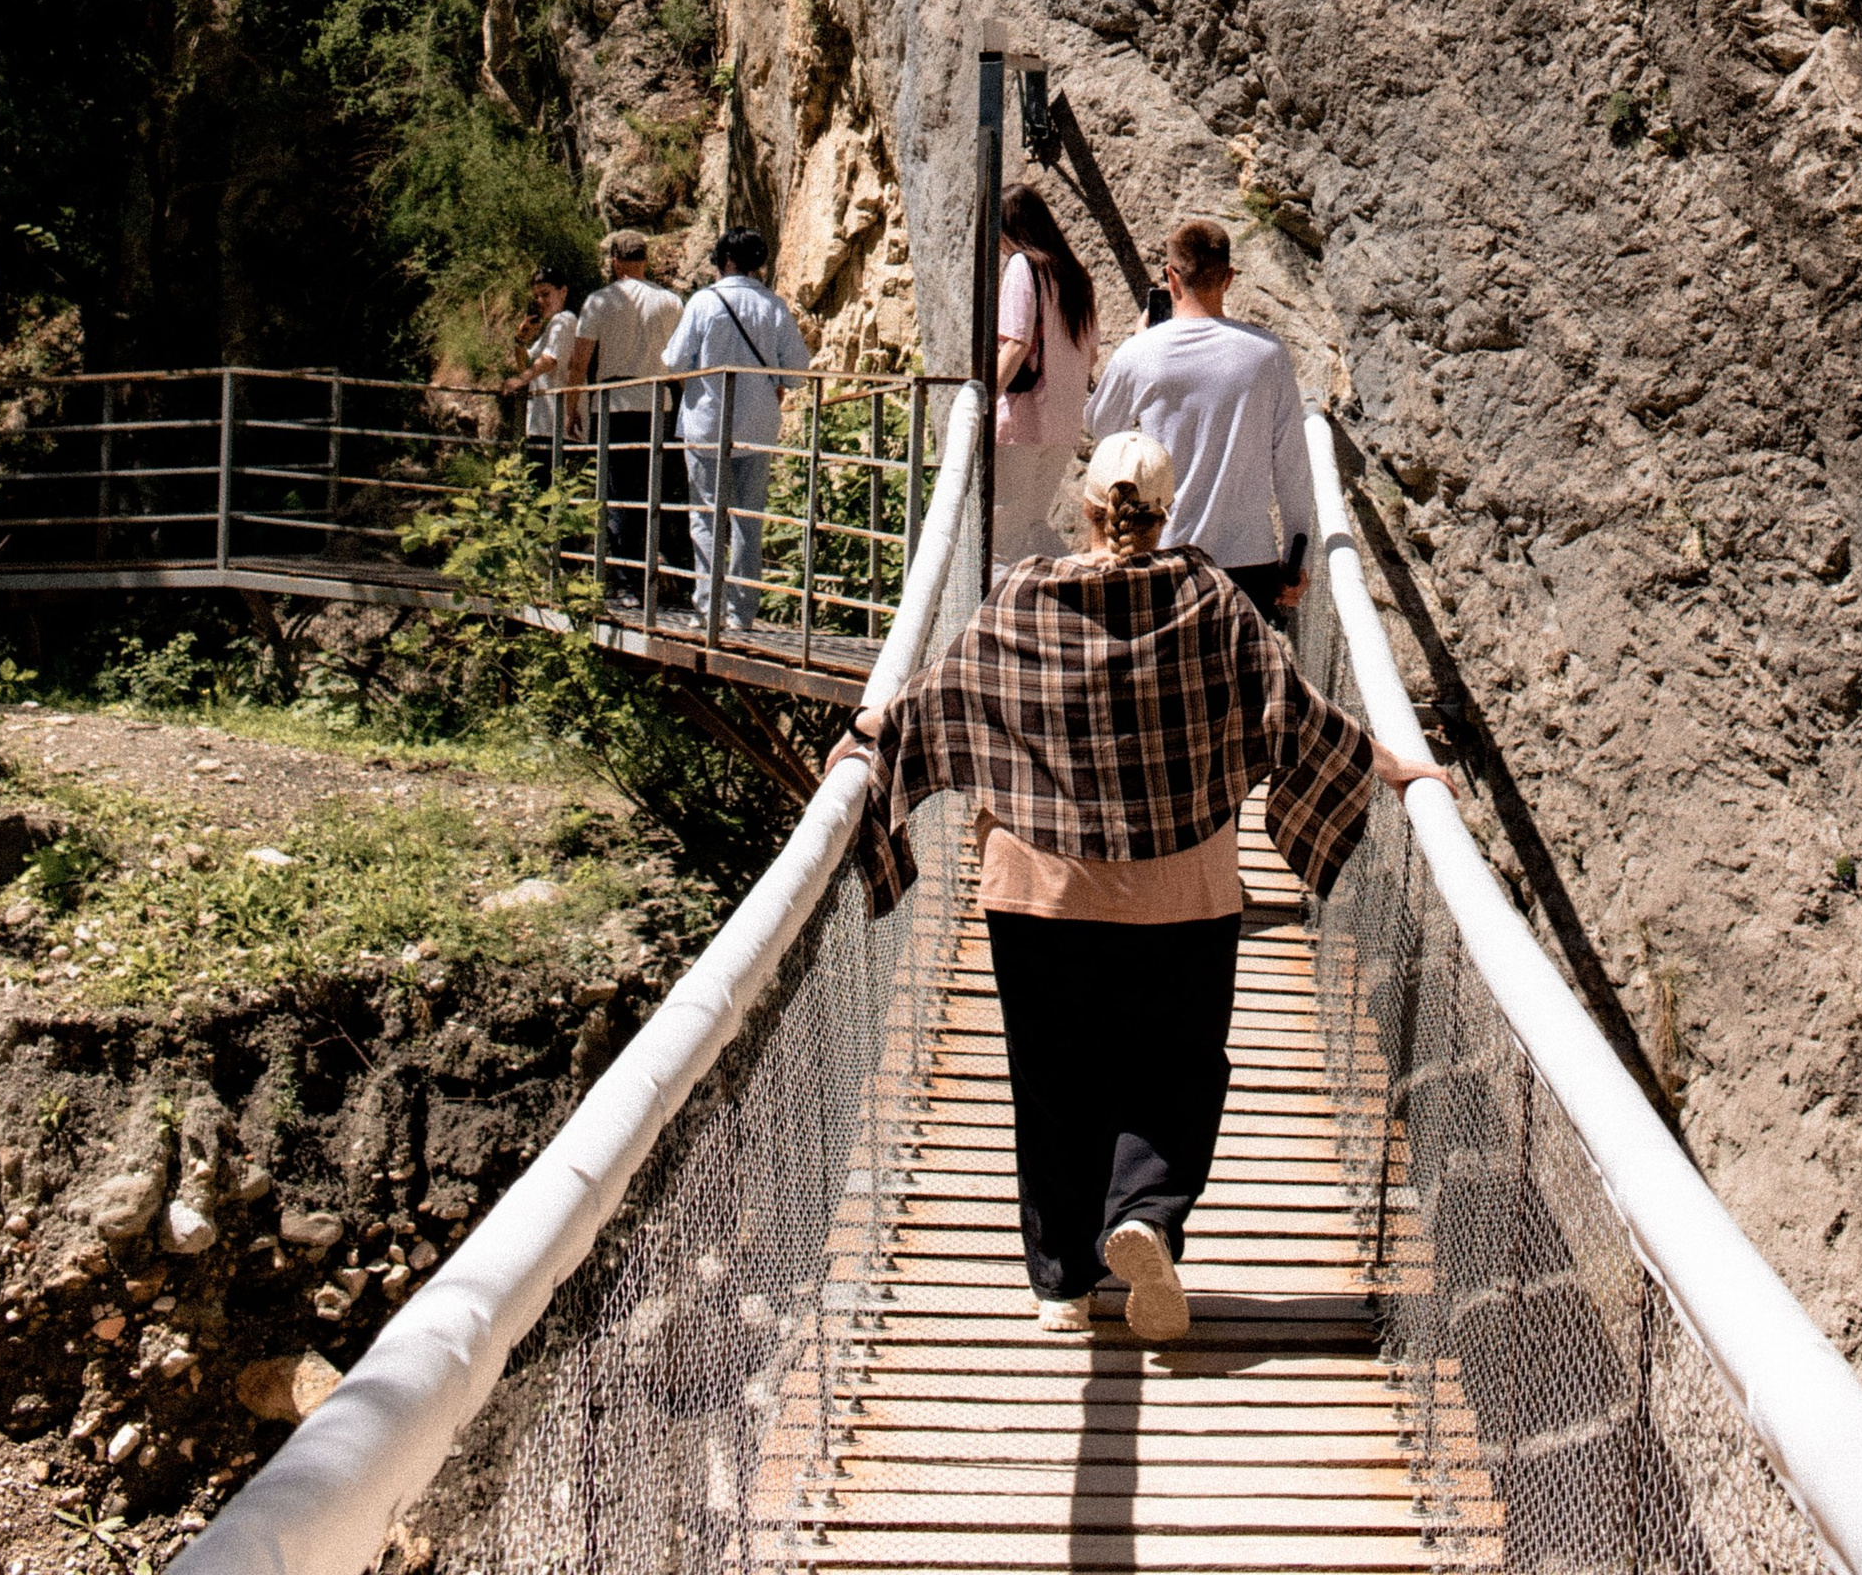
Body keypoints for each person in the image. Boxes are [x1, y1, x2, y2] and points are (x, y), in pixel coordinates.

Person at [828, 431, 1445, 1342]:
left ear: (1088, 506)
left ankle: (1061, 1286)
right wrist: (1400, 768)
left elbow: (942, 694)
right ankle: (1146, 1217)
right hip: (1181, 893)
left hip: (1039, 891)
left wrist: (868, 730)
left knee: (1051, 1082)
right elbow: (1301, 716)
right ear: (1169, 511)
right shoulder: (1213, 602)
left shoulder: (1023, 597)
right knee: (1176, 1069)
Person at [1087, 218, 1312, 622]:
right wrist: (1297, 559)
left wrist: (1139, 347)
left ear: (1171, 278)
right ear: (1228, 277)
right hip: (1250, 564)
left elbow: (1101, 427)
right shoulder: (1268, 355)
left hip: (1163, 557)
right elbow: (1292, 468)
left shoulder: (1142, 353)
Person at [661, 231, 809, 636]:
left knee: (706, 516)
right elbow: (798, 369)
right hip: (758, 425)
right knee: (748, 517)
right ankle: (741, 614)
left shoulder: (704, 303)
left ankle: (707, 609)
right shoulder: (773, 306)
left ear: (724, 259)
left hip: (707, 424)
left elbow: (674, 361)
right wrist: (772, 377)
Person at [992, 183, 1098, 579]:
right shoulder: (1076, 277)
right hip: (1064, 425)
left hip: (1023, 421)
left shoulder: (1024, 266)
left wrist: (986, 400)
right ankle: (1080, 585)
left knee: (1001, 538)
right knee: (1032, 527)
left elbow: (1016, 344)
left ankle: (1001, 627)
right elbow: (1091, 355)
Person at [574, 232, 680, 610]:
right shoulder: (670, 301)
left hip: (612, 402)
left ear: (616, 262)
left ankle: (623, 583)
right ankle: (650, 577)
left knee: (617, 494)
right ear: (645, 261)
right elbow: (680, 362)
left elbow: (580, 360)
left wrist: (573, 405)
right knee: (651, 492)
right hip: (657, 403)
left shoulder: (599, 302)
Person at [504, 273, 584, 490]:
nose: (540, 301)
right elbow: (528, 364)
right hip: (544, 427)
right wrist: (520, 341)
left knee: (547, 495)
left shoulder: (565, 320)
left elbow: (549, 360)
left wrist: (520, 380)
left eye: (546, 294)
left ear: (563, 291)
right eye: (537, 296)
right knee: (541, 495)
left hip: (556, 429)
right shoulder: (552, 327)